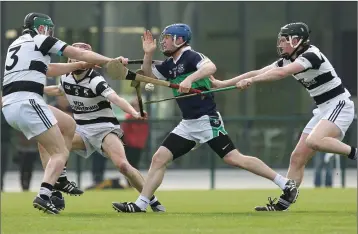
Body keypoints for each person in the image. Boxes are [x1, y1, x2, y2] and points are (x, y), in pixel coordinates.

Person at [112, 23, 298, 213]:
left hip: (206, 120)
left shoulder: (192, 56)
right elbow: (148, 75)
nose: (164, 42)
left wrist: (189, 79)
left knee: (234, 158)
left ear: (180, 40)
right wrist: (148, 53)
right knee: (159, 158)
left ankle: (285, 184)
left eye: (167, 38)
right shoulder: (169, 65)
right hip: (188, 123)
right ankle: (142, 204)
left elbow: (210, 67)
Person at [210, 22, 356, 211]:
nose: (280, 45)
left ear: (297, 41)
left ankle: (355, 153)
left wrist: (251, 81)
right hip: (322, 109)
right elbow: (259, 72)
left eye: (284, 41)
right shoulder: (289, 58)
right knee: (297, 157)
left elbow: (281, 73)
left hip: (339, 104)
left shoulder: (311, 55)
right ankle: (283, 204)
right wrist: (223, 84)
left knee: (314, 141)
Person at [2, 12, 122, 214]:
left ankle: (61, 178)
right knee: (60, 152)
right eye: (48, 28)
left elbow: (49, 69)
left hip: (12, 104)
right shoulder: (41, 39)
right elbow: (79, 52)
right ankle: (45, 193)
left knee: (68, 124)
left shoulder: (18, 44)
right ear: (41, 28)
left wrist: (78, 65)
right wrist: (111, 61)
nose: (50, 32)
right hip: (28, 102)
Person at [43, 42, 165, 212]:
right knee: (50, 145)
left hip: (104, 129)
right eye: (74, 56)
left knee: (123, 166)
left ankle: (153, 202)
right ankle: (54, 191)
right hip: (81, 131)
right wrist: (34, 89)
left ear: (91, 61)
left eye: (81, 56)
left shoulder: (95, 80)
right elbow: (58, 90)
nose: (77, 59)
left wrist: (134, 113)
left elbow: (116, 99)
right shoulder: (65, 77)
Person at [121, 98, 149, 171]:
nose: (136, 108)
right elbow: (125, 130)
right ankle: (130, 182)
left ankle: (133, 182)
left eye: (138, 106)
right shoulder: (129, 117)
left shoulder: (143, 116)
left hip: (138, 144)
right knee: (129, 165)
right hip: (129, 144)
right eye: (134, 106)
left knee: (135, 164)